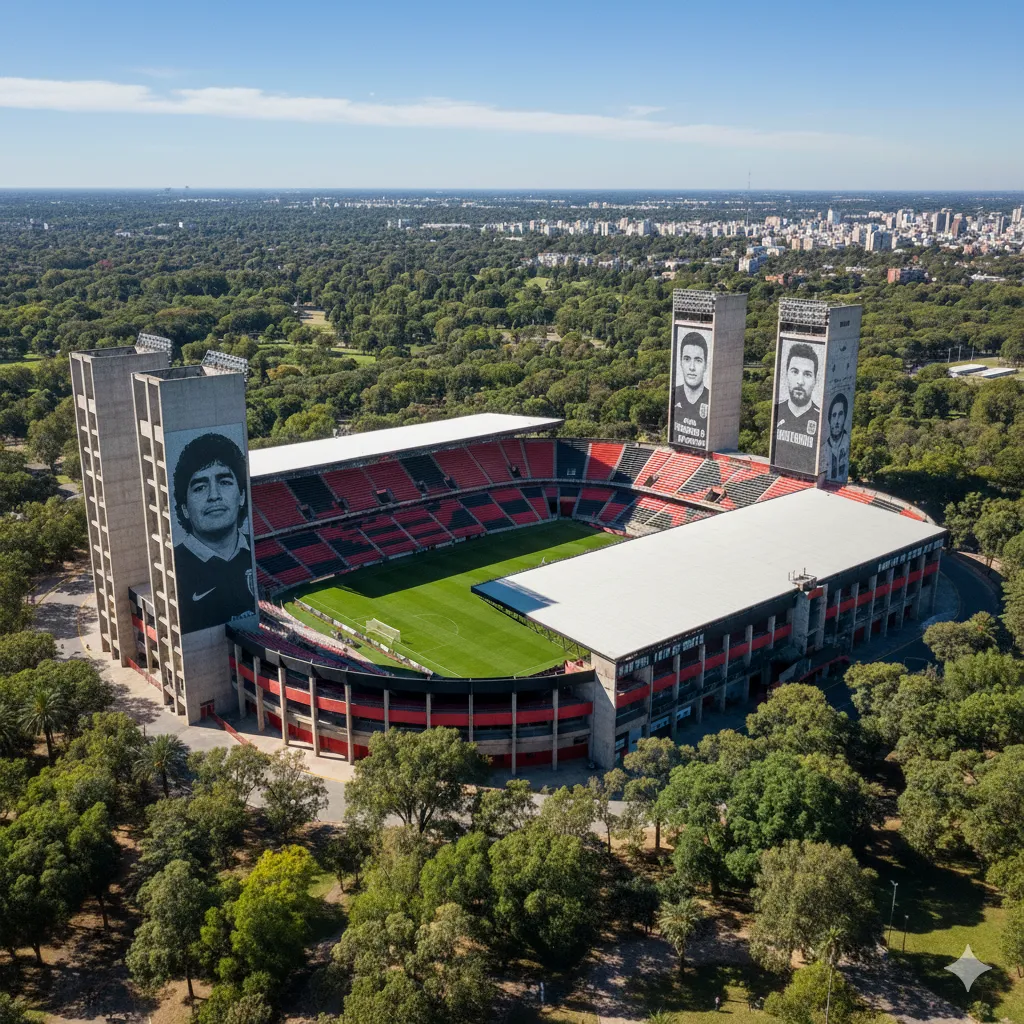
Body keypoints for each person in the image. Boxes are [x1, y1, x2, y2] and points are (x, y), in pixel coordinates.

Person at [171, 432, 255, 634]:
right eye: (200, 487)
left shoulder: (255, 548)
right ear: (184, 508)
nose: (214, 496)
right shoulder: (174, 565)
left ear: (242, 496)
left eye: (224, 482)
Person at [773, 341, 822, 475]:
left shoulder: (821, 417)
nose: (800, 381)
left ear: (815, 380)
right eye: (795, 372)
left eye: (807, 374)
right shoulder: (776, 411)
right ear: (786, 375)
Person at [672, 330, 711, 448]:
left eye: (698, 360)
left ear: (705, 365)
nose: (692, 367)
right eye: (687, 359)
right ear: (680, 362)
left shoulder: (711, 398)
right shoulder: (675, 394)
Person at [823, 391, 851, 482]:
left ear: (845, 416)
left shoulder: (847, 442)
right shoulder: (824, 449)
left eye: (840, 414)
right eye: (834, 415)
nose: (837, 421)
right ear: (829, 419)